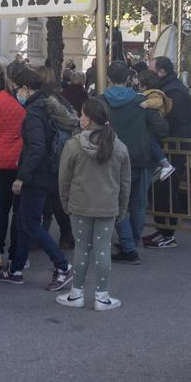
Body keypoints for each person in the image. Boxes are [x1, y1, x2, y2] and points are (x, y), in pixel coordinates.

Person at [56, 96, 131, 311]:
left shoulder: (73, 146)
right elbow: (125, 182)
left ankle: (76, 293)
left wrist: (66, 203)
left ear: (88, 120)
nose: (80, 118)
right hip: (108, 206)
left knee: (82, 248)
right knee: (102, 249)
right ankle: (102, 296)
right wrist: (122, 208)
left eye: (82, 114)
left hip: (80, 204)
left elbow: (64, 179)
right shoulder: (119, 147)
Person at [8, 64, 76, 291]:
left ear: (26, 88)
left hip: (37, 176)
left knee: (29, 223)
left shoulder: (35, 112)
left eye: (18, 89)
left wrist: (22, 177)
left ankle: (63, 266)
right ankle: (16, 269)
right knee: (25, 222)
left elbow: (36, 148)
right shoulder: (48, 105)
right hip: (49, 172)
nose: (16, 93)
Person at [103, 61, 167, 264]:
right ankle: (132, 241)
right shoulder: (142, 101)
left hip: (113, 157)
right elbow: (161, 128)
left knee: (117, 203)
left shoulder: (101, 101)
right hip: (141, 156)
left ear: (108, 79)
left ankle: (129, 246)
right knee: (139, 203)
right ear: (129, 78)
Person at [145, 56, 191, 249]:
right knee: (160, 191)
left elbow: (171, 121)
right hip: (168, 147)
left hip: (172, 148)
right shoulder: (169, 89)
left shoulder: (174, 91)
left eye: (151, 69)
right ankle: (163, 228)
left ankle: (168, 233)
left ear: (162, 71)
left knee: (166, 190)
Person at [0, 63, 27, 270]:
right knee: (19, 211)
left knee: (1, 208)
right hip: (21, 160)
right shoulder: (27, 101)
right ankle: (16, 254)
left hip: (0, 158)